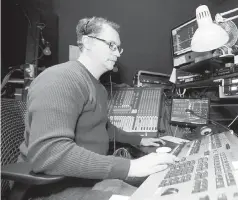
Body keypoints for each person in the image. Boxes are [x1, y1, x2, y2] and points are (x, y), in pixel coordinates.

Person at [18, 16, 179, 200]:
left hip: (87, 179)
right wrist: (132, 167)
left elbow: (104, 127)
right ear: (87, 42)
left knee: (159, 191)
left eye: (118, 48)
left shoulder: (98, 87)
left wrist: (140, 140)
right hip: (49, 188)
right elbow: (49, 153)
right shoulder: (60, 79)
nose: (117, 53)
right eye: (111, 45)